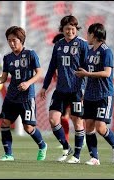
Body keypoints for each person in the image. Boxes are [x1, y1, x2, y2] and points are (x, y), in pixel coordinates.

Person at [0, 26, 47, 161]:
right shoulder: (7, 57)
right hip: (11, 96)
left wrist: (28, 83)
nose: (11, 43)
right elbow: (4, 78)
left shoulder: (31, 54)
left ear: (21, 40)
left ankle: (42, 145)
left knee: (28, 127)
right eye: (9, 41)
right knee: (5, 123)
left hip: (26, 97)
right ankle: (8, 154)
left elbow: (39, 73)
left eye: (14, 40)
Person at [40, 15, 88, 163]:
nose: (70, 31)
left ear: (76, 29)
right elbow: (51, 67)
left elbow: (86, 69)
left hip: (76, 90)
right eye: (67, 29)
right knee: (54, 119)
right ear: (62, 30)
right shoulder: (58, 45)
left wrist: (83, 90)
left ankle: (77, 156)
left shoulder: (83, 44)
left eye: (72, 29)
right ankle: (67, 148)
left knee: (77, 121)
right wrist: (45, 86)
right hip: (60, 90)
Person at [75, 23, 114, 165]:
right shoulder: (90, 51)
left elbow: (107, 73)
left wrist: (87, 73)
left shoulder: (106, 51)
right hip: (90, 95)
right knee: (88, 125)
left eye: (88, 34)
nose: (87, 37)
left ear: (94, 35)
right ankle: (94, 158)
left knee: (100, 127)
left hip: (104, 94)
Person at [52, 33, 70, 146]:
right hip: (61, 91)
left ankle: (78, 138)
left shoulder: (71, 57)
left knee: (71, 116)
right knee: (64, 117)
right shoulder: (58, 58)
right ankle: (66, 140)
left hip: (73, 91)